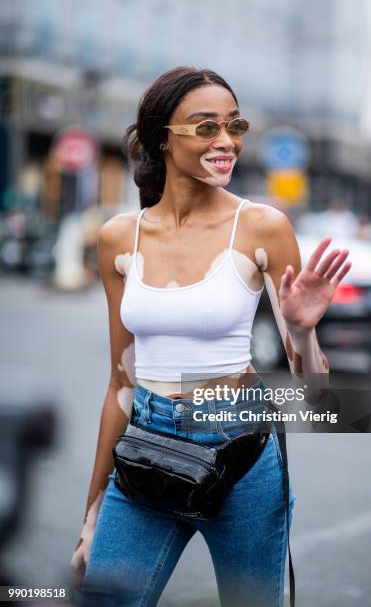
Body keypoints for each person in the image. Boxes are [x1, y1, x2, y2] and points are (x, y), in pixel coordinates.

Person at [70, 66, 351, 606]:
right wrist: (92, 514)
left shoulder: (262, 226)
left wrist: (300, 329)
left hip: (241, 454)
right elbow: (119, 386)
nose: (226, 142)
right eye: (205, 127)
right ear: (161, 138)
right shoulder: (116, 238)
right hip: (145, 451)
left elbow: (315, 395)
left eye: (235, 126)